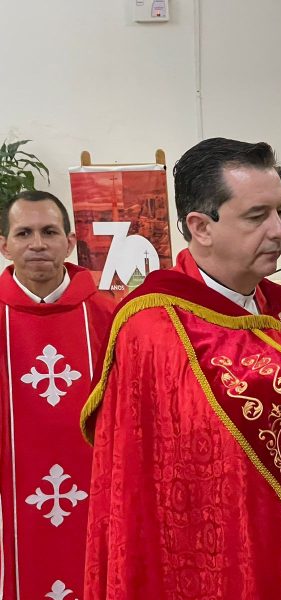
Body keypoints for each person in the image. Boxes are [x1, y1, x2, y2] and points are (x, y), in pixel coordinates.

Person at [80, 138, 281, 599]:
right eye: (257, 216)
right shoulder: (154, 328)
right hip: (208, 567)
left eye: (280, 211)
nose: (279, 231)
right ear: (201, 226)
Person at [0, 191, 115, 599]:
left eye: (49, 232)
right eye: (24, 233)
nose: (37, 244)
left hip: (96, 489)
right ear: (4, 245)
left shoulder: (107, 315)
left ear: (69, 243)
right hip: (9, 499)